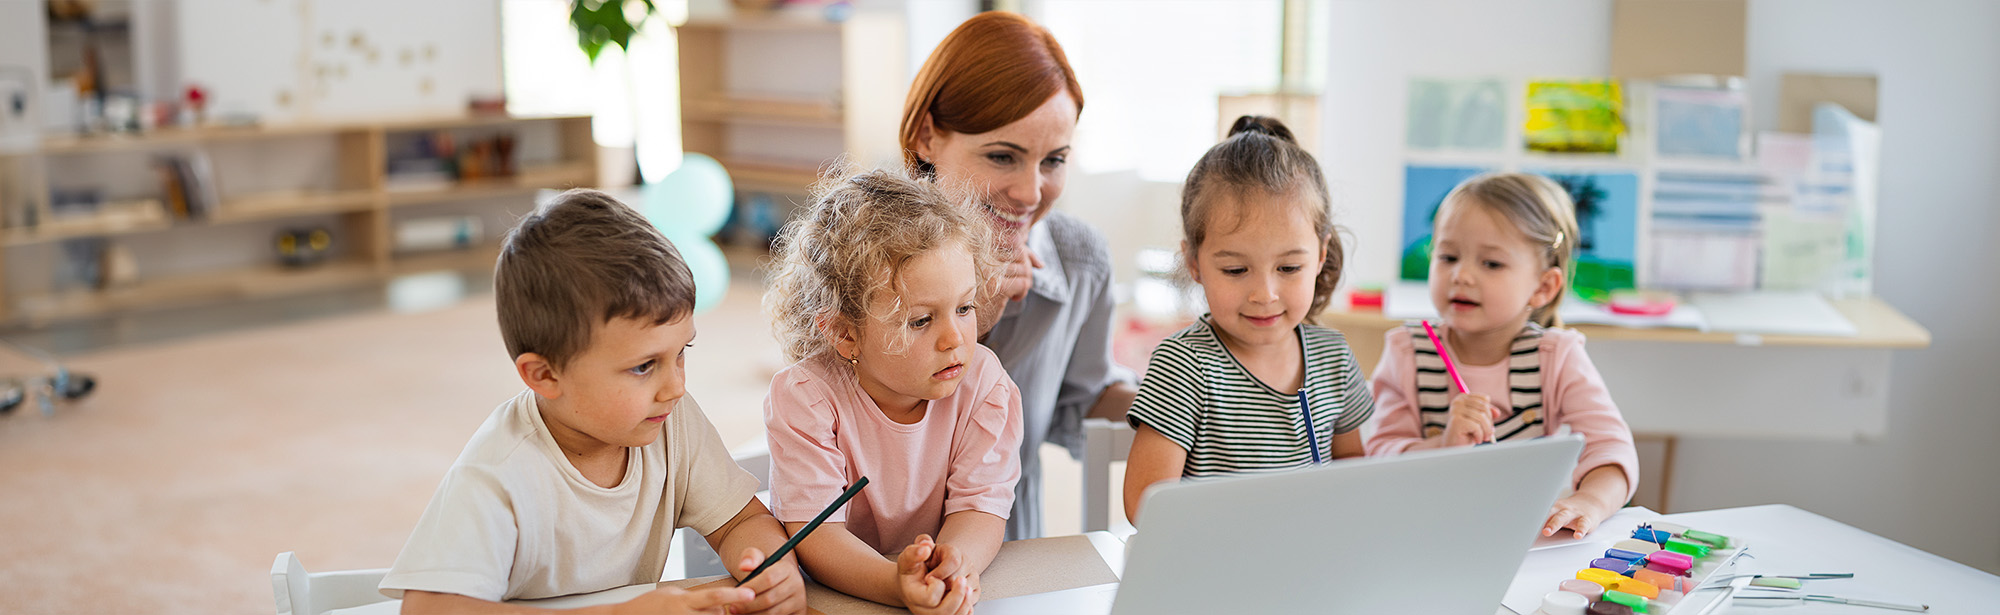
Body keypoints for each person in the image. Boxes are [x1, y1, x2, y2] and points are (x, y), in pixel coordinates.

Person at [380, 190, 806, 615]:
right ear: (545, 376)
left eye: (681, 353)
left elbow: (741, 521)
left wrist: (771, 569)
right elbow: (426, 609)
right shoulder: (498, 472)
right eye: (643, 367)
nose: (674, 386)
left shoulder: (669, 419)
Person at [900, 10, 1135, 539]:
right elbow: (862, 442)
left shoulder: (1079, 261)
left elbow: (1083, 402)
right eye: (1003, 156)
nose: (1031, 194)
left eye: (1053, 160)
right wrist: (968, 323)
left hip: (1010, 556)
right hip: (876, 563)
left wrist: (1198, 390)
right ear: (926, 137)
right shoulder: (859, 257)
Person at [762, 169, 1023, 614]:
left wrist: (953, 568)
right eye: (921, 320)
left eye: (964, 308)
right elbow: (818, 535)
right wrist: (897, 584)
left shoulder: (984, 385)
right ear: (845, 333)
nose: (955, 339)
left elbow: (980, 508)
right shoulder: (805, 397)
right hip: (840, 598)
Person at [1121, 117, 1375, 524]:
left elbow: (1355, 477)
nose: (1265, 294)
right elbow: (1145, 506)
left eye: (1290, 268)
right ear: (1194, 263)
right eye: (1236, 270)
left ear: (1321, 255)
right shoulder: (1184, 366)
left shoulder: (1333, 357)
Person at [1365, 172, 1639, 538]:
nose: (1461, 275)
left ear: (1543, 287)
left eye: (1491, 264)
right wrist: (1442, 445)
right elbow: (1378, 455)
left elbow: (1612, 450)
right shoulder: (1407, 352)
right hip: (1423, 531)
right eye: (1447, 256)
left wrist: (1589, 502)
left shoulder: (1556, 357)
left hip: (1521, 536)